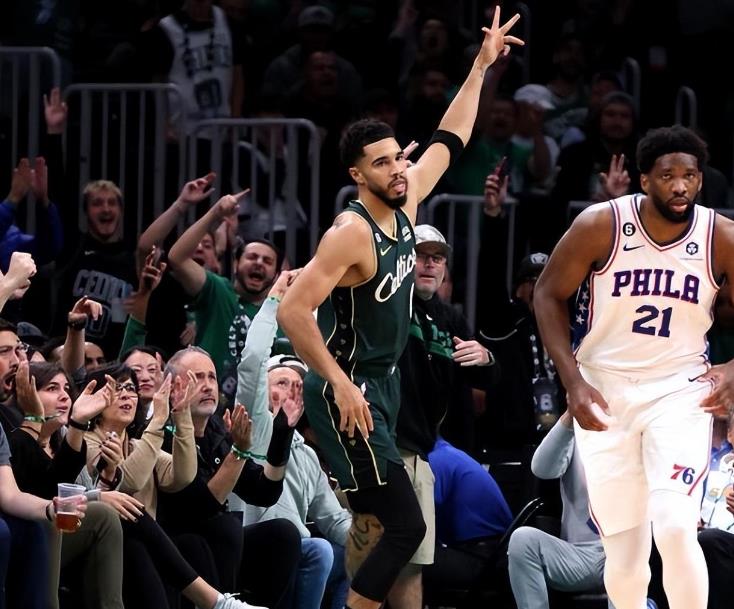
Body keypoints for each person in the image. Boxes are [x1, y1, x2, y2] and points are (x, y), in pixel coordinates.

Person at [276, 10, 523, 609]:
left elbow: (449, 138)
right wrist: (339, 384)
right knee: (406, 527)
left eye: (398, 158)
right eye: (382, 162)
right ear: (357, 174)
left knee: (382, 523)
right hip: (349, 389)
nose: (398, 169)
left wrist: (480, 66)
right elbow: (292, 313)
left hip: (383, 387)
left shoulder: (407, 207)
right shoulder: (350, 233)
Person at [533, 125, 734, 609]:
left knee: (675, 525)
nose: (680, 186)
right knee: (625, 554)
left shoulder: (722, 236)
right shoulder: (601, 224)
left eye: (690, 176)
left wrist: (732, 368)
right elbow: (547, 294)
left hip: (680, 389)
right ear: (644, 180)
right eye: (668, 176)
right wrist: (573, 382)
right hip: (606, 391)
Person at [389, 224, 496, 609]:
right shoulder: (387, 305)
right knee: (373, 553)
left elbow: (487, 380)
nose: (430, 265)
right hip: (384, 447)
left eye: (437, 258)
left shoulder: (449, 319)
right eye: (421, 256)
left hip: (427, 451)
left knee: (414, 560)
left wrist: (486, 358)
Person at [232, 269, 352, 609]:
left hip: (297, 552)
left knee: (354, 558)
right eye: (282, 382)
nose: (292, 390)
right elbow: (253, 360)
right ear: (263, 390)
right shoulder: (254, 427)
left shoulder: (307, 454)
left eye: (298, 385)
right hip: (251, 550)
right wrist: (273, 302)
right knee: (319, 549)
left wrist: (373, 542)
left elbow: (333, 519)